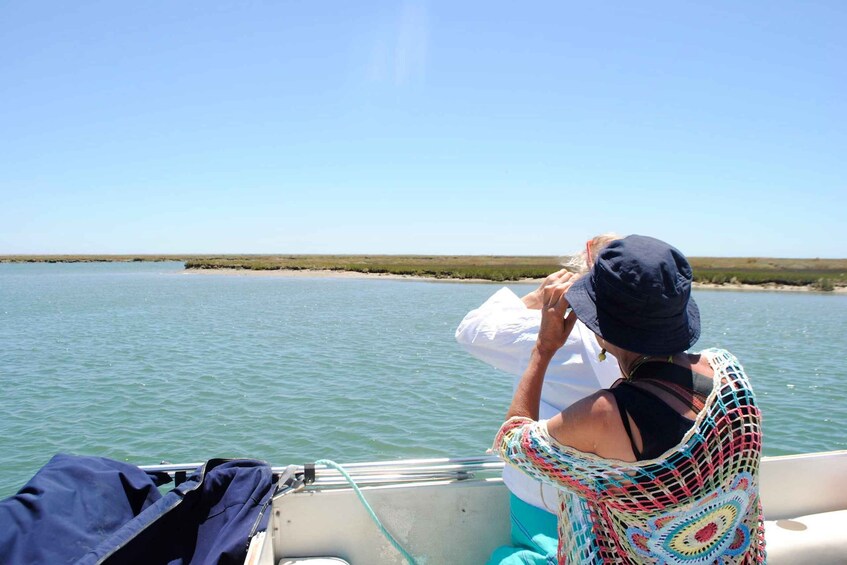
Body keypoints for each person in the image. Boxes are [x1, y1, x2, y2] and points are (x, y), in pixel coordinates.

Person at [492, 235, 766, 563]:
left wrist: (543, 348)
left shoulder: (605, 414)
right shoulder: (729, 372)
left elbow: (513, 444)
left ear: (602, 329)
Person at [455, 234, 620, 563]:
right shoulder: (685, 361)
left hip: (545, 503)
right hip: (622, 511)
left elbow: (470, 331)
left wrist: (537, 301)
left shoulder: (560, 335)